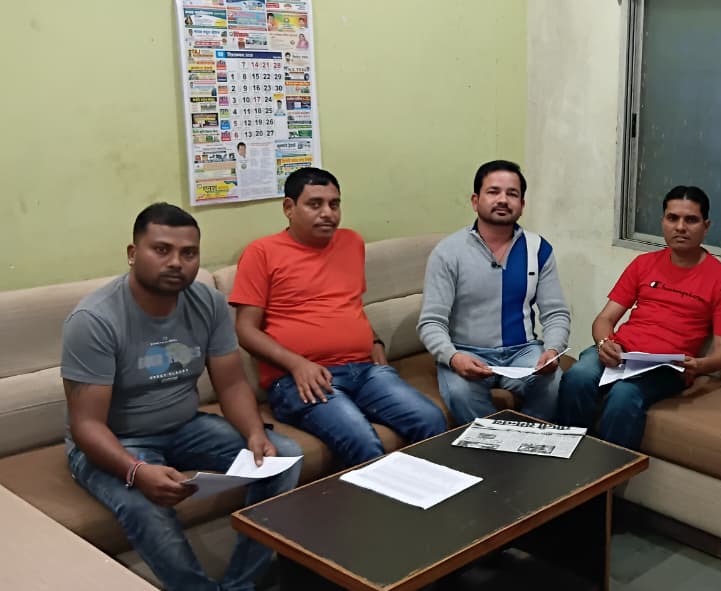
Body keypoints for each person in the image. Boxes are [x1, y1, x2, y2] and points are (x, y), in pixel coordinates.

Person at [62, 203, 302, 590]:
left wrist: (255, 433)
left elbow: (231, 385)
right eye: (162, 250)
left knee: (283, 456)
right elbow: (86, 424)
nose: (176, 262)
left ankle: (240, 585)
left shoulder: (208, 303)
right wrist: (136, 471)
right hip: (115, 440)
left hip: (185, 427)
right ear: (132, 253)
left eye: (188, 253)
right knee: (145, 506)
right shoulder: (95, 320)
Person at [231, 167, 446, 467]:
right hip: (300, 379)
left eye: (334, 204)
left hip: (365, 371)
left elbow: (348, 304)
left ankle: (435, 493)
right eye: (315, 204)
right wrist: (297, 364)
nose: (327, 213)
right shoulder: (261, 252)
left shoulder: (351, 243)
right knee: (362, 441)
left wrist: (374, 340)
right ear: (289, 208)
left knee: (431, 420)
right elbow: (245, 330)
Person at [558, 186, 721, 449]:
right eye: (672, 218)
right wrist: (604, 343)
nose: (680, 227)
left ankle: (608, 472)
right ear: (663, 221)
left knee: (624, 395)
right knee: (578, 376)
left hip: (665, 367)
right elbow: (605, 319)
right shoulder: (643, 264)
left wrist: (701, 365)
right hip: (622, 352)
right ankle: (564, 455)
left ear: (706, 226)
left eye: (691, 220)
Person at [417, 160, 570, 424]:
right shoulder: (448, 252)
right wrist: (453, 357)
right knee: (460, 393)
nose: (503, 200)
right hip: (466, 351)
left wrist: (553, 349)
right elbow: (431, 322)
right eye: (493, 191)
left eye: (512, 194)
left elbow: (556, 313)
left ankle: (531, 442)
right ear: (475, 201)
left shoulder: (538, 249)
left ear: (522, 204)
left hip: (523, 351)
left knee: (553, 380)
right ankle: (493, 448)